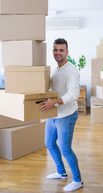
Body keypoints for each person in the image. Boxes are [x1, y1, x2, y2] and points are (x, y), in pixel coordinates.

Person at [39, 38, 83, 192]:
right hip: (54, 112)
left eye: (61, 50)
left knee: (65, 148)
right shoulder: (55, 69)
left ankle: (77, 180)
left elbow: (74, 93)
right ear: (53, 51)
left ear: (67, 52)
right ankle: (61, 172)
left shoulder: (71, 70)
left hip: (67, 114)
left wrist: (55, 102)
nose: (58, 53)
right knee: (49, 143)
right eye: (55, 50)